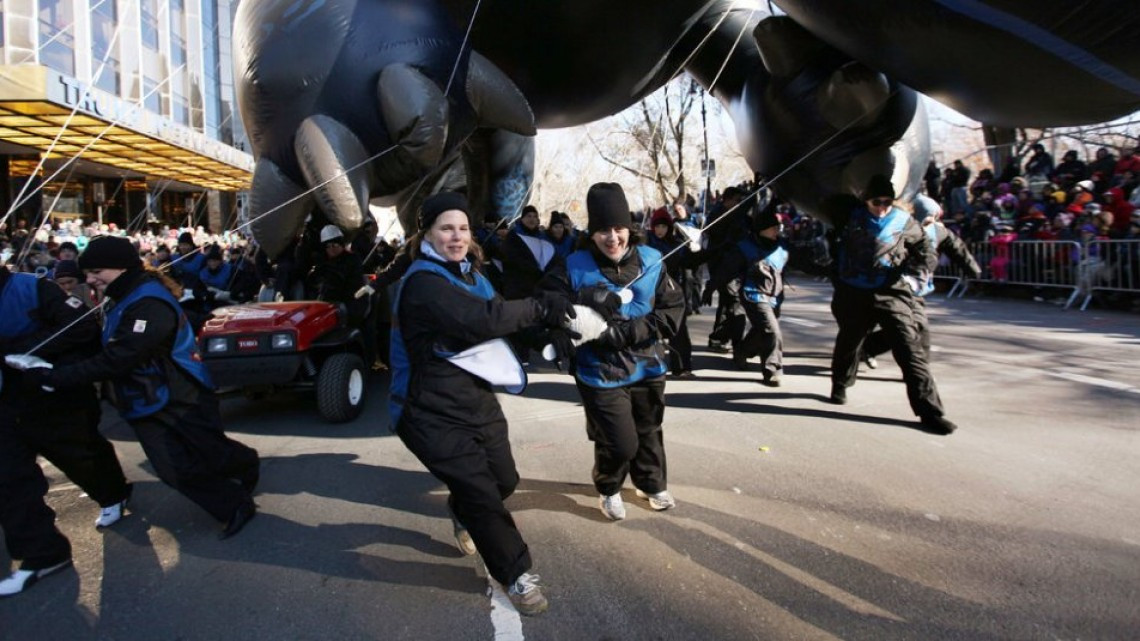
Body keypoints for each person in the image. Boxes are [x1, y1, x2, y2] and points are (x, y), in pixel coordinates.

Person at [389, 192, 575, 616]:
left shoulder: (474, 276)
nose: (455, 236)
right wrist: (545, 306)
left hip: (475, 400)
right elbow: (482, 321)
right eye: (445, 228)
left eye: (462, 228)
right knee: (481, 493)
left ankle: (460, 509)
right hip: (426, 411)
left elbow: (501, 319)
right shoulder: (423, 283)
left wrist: (551, 337)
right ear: (427, 235)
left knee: (503, 482)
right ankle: (516, 574)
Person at [8, 236, 261, 539]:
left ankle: (244, 464)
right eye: (87, 273)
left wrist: (54, 376)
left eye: (95, 271)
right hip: (143, 397)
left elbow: (119, 358)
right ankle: (234, 504)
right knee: (172, 468)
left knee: (211, 451)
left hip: (181, 393)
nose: (89, 279)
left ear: (120, 267)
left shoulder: (148, 302)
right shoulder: (120, 297)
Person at [541, 182, 685, 521]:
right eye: (603, 230)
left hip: (647, 366)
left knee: (649, 429)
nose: (612, 237)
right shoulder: (572, 265)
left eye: (618, 228)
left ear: (629, 229)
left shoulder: (652, 260)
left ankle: (651, 483)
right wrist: (580, 307)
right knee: (620, 442)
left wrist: (633, 331)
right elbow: (545, 301)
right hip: (599, 371)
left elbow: (672, 308)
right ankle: (608, 486)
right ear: (591, 233)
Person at [0, 265, 132, 596]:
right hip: (5, 403)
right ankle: (43, 552)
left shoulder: (31, 288)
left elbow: (80, 326)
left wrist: (18, 349)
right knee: (10, 477)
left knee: (78, 453)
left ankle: (113, 493)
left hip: (47, 392)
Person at [827, 175, 957, 434]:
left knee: (910, 351)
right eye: (877, 201)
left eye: (888, 201)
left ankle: (930, 412)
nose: (883, 206)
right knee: (849, 343)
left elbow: (925, 248)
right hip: (854, 292)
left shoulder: (903, 220)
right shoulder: (847, 215)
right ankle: (841, 382)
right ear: (866, 200)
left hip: (891, 292)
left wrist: (917, 274)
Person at [861, 195, 981, 364]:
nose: (931, 220)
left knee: (912, 326)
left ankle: (871, 348)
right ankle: (866, 350)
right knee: (910, 325)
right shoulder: (900, 228)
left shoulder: (937, 230)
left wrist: (974, 270)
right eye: (927, 217)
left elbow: (957, 248)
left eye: (934, 217)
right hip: (896, 284)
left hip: (917, 286)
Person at [703, 202, 788, 385]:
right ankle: (772, 370)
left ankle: (742, 350)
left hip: (775, 298)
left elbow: (804, 262)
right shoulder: (744, 248)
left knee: (762, 330)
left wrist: (829, 269)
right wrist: (710, 288)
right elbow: (726, 271)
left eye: (777, 228)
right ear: (761, 229)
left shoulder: (781, 247)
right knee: (772, 331)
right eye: (772, 228)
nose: (776, 231)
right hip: (753, 295)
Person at [646, 208, 697, 377]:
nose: (660, 230)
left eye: (663, 226)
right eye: (657, 226)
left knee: (679, 329)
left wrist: (695, 248)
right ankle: (648, 367)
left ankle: (682, 367)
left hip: (672, 291)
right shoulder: (646, 243)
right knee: (648, 330)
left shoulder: (677, 244)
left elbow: (689, 262)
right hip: (650, 291)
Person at [500, 205, 556, 300]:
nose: (532, 219)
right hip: (517, 287)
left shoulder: (541, 237)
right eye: (529, 216)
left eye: (535, 216)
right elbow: (512, 259)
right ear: (522, 219)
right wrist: (535, 270)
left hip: (538, 287)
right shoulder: (514, 236)